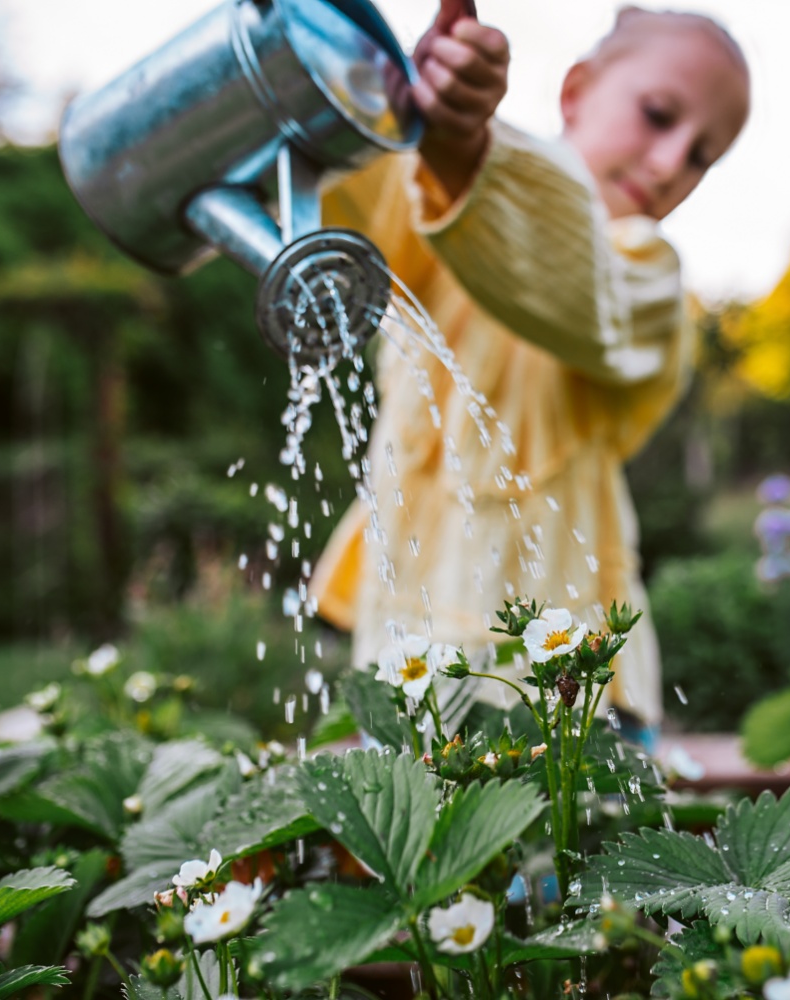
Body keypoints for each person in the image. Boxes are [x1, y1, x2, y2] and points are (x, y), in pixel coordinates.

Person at [309, 2, 751, 735]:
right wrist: (408, 106)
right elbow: (355, 195)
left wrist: (467, 154)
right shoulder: (434, 204)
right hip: (407, 657)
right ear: (575, 91)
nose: (672, 163)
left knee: (581, 848)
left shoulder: (648, 279)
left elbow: (572, 292)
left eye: (703, 154)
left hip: (574, 694)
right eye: (658, 114)